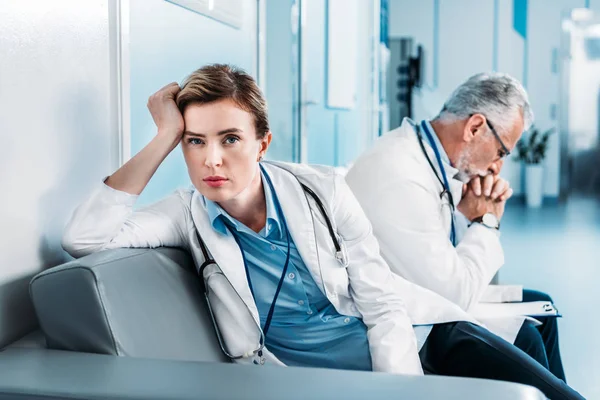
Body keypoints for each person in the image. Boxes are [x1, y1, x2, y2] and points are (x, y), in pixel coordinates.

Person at [62, 65, 583, 399]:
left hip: (420, 346)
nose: (211, 159)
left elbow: (381, 307)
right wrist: (163, 137)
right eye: (195, 142)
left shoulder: (323, 193)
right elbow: (85, 238)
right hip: (319, 379)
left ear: (262, 143)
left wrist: (403, 395)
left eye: (229, 139)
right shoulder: (186, 216)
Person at [345, 73, 567, 383]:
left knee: (543, 309)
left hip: (429, 299)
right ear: (475, 127)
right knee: (526, 335)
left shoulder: (429, 160)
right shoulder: (401, 173)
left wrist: (466, 213)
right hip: (412, 325)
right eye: (502, 152)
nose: (497, 168)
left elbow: (448, 259)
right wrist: (486, 222)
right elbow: (455, 295)